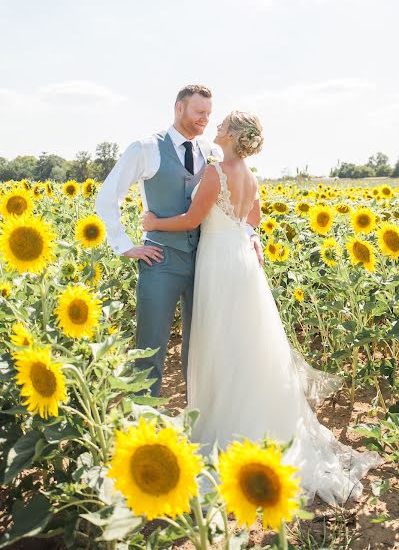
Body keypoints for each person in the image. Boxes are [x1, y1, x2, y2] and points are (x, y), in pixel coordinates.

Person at [142, 110, 383, 506]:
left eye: (222, 126)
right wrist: (250, 238)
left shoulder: (216, 172)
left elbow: (189, 220)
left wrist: (153, 220)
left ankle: (226, 428)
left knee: (221, 343)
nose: (215, 127)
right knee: (250, 343)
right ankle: (261, 423)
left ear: (234, 136)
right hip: (242, 262)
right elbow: (252, 219)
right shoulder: (251, 176)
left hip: (218, 262)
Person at [95, 85, 263, 397]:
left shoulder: (212, 153)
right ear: (179, 108)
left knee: (200, 349)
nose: (205, 119)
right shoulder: (146, 148)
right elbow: (108, 197)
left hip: (205, 262)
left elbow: (236, 204)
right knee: (150, 349)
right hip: (161, 261)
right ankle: (144, 427)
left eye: (210, 114)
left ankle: (196, 424)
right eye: (200, 112)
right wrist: (124, 245)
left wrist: (251, 235)